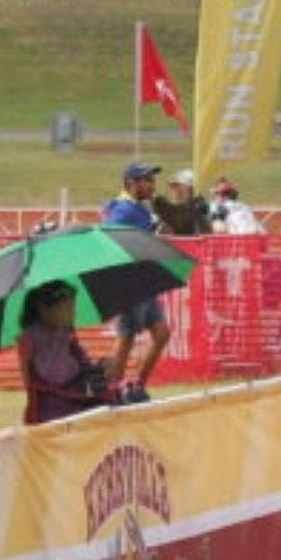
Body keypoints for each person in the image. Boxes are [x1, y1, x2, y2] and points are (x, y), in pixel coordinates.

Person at [101, 162, 172, 400]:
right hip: (129, 283)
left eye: (153, 179)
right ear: (131, 183)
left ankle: (137, 385)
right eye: (147, 180)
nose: (153, 185)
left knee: (161, 334)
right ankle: (112, 391)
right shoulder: (123, 209)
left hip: (144, 282)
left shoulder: (138, 208)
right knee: (126, 340)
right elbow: (109, 237)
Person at [18, 279, 118, 425]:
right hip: (52, 408)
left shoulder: (66, 334)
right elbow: (35, 383)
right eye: (68, 308)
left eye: (73, 308)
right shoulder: (30, 338)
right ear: (44, 310)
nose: (73, 313)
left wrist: (100, 368)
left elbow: (83, 365)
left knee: (120, 400)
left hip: (76, 398)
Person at [153, 170, 212, 236]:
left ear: (190, 188)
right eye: (173, 187)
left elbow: (177, 217)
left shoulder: (196, 209)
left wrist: (157, 201)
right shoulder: (189, 207)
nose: (175, 190)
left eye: (178, 186)